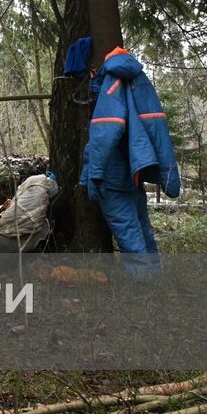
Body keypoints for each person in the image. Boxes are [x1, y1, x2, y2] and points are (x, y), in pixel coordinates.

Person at [79, 46, 180, 273]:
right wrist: (169, 176)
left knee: (130, 235)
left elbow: (105, 132)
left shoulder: (112, 84)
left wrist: (93, 174)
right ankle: (155, 278)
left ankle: (144, 288)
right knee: (143, 229)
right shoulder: (138, 82)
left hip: (112, 176)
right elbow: (157, 130)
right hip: (133, 173)